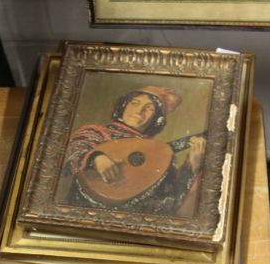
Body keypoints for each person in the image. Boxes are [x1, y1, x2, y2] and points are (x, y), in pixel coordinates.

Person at [63, 85, 206, 217]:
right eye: (134, 103)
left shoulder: (159, 154)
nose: (139, 111)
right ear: (123, 106)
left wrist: (192, 166)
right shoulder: (97, 133)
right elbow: (73, 153)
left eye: (149, 108)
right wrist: (97, 157)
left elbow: (169, 202)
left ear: (157, 119)